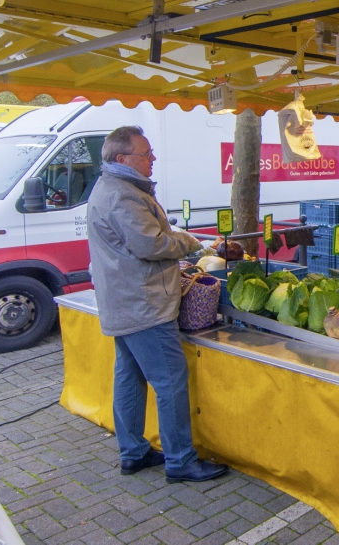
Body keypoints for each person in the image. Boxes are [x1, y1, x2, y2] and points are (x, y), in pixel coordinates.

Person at [87, 126, 229, 483]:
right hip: (144, 304)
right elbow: (151, 244)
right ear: (123, 159)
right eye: (146, 154)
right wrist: (189, 242)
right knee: (169, 380)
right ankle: (181, 460)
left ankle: (133, 451)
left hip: (126, 302)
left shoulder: (112, 188)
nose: (153, 160)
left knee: (130, 377)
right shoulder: (122, 195)